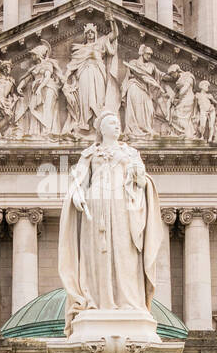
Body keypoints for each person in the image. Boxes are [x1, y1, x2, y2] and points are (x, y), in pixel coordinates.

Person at [58, 111, 163, 330]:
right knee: (96, 254)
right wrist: (76, 195)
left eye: (117, 123)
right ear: (101, 129)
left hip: (122, 207)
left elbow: (142, 182)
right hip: (96, 206)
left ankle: (128, 302)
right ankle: (97, 302)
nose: (117, 126)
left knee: (125, 252)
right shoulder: (89, 154)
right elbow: (78, 181)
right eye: (111, 123)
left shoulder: (131, 152)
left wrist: (140, 176)